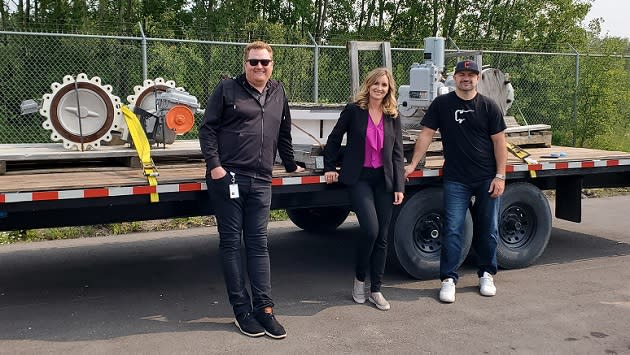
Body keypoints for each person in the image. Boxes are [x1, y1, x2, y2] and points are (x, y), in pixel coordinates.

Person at [199, 40, 304, 339]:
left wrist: (290, 163)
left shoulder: (278, 91)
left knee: (259, 244)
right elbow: (207, 129)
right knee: (232, 243)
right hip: (228, 177)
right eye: (253, 62)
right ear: (244, 64)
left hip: (261, 180)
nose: (259, 67)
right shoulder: (227, 89)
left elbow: (283, 130)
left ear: (272, 65)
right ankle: (241, 311)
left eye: (265, 62)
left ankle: (265, 309)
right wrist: (215, 166)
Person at [403, 60, 507, 303]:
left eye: (471, 74)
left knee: (489, 229)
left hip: (486, 178)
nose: (466, 78)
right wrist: (412, 163)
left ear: (478, 78)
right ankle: (448, 279)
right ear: (455, 78)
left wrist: (500, 175)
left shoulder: (489, 106)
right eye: (461, 74)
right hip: (456, 179)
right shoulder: (442, 104)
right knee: (452, 230)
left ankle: (486, 274)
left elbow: (499, 142)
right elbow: (426, 134)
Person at [323, 67, 405, 311]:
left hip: (384, 180)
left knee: (382, 236)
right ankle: (359, 279)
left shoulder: (393, 115)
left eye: (384, 85)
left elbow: (398, 152)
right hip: (359, 179)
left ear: (389, 89)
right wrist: (329, 166)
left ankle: (376, 289)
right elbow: (334, 138)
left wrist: (399, 185)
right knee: (370, 230)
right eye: (376, 84)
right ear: (368, 85)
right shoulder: (353, 111)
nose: (379, 88)